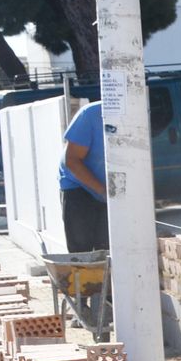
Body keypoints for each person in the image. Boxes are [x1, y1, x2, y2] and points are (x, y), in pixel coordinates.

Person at [59, 100, 109, 252]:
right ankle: (84, 274)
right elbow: (72, 161)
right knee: (82, 249)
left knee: (107, 247)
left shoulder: (136, 116)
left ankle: (106, 276)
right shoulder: (90, 114)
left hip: (107, 188)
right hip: (78, 185)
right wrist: (102, 191)